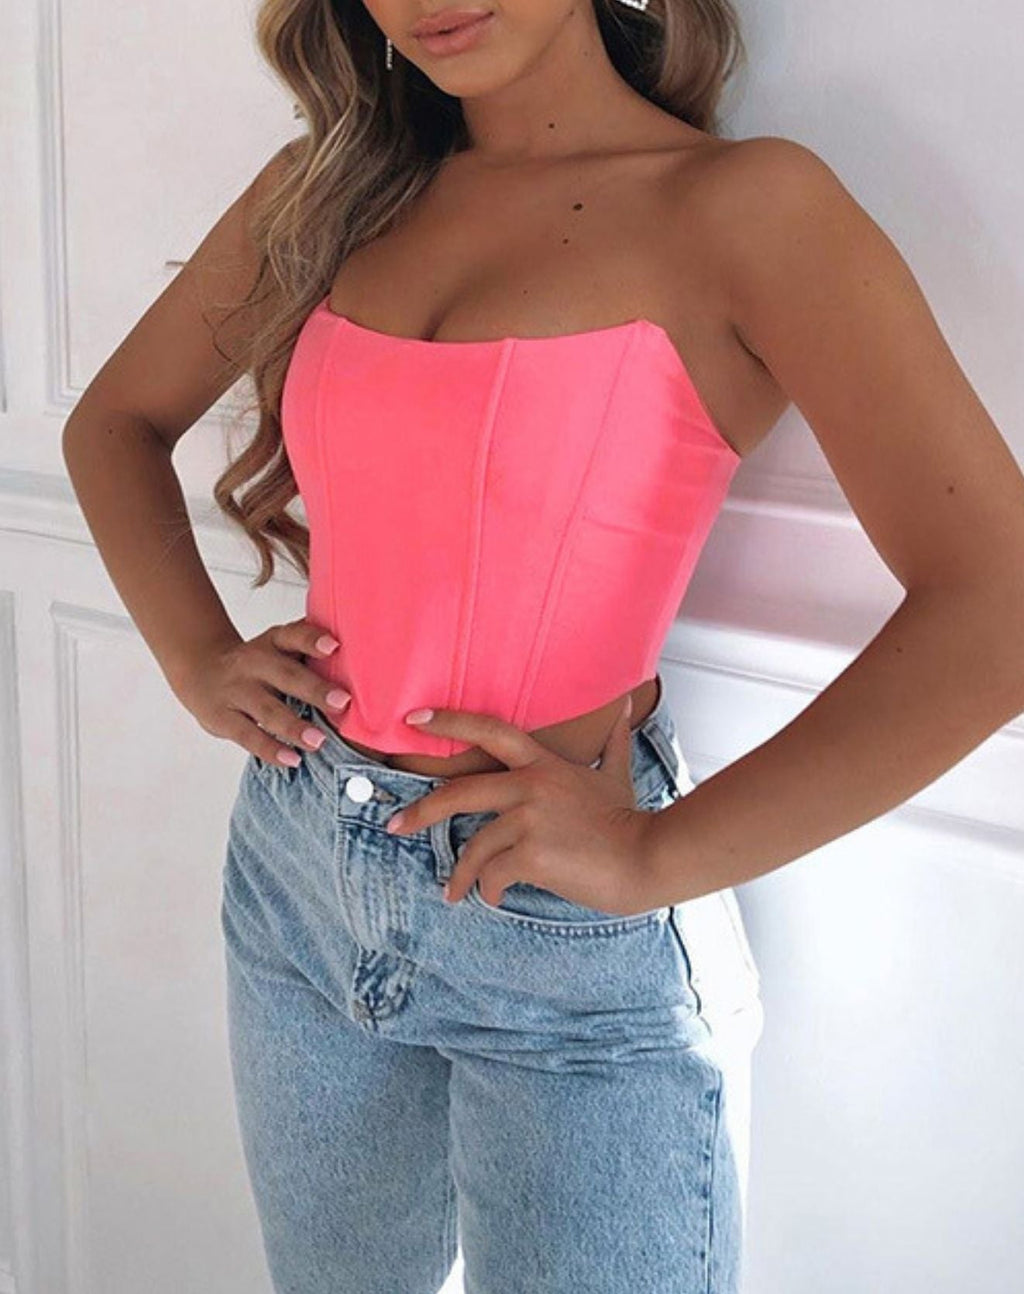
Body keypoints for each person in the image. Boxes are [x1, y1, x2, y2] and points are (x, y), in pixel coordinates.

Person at [61, 1, 1024, 1291]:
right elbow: (114, 424)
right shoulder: (334, 186)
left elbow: (999, 601)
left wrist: (655, 854)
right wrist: (197, 659)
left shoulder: (746, 208)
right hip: (297, 875)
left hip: (563, 927)